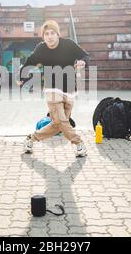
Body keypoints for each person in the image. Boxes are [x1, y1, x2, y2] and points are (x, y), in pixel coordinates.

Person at [17, 20, 89, 157]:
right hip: (51, 87)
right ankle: (79, 144)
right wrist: (21, 76)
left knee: (58, 124)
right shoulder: (41, 48)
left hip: (69, 88)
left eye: (52, 33)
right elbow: (30, 61)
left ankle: (30, 140)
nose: (49, 36)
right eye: (46, 34)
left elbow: (85, 55)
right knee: (61, 121)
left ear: (58, 34)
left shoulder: (68, 44)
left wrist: (83, 61)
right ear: (43, 36)